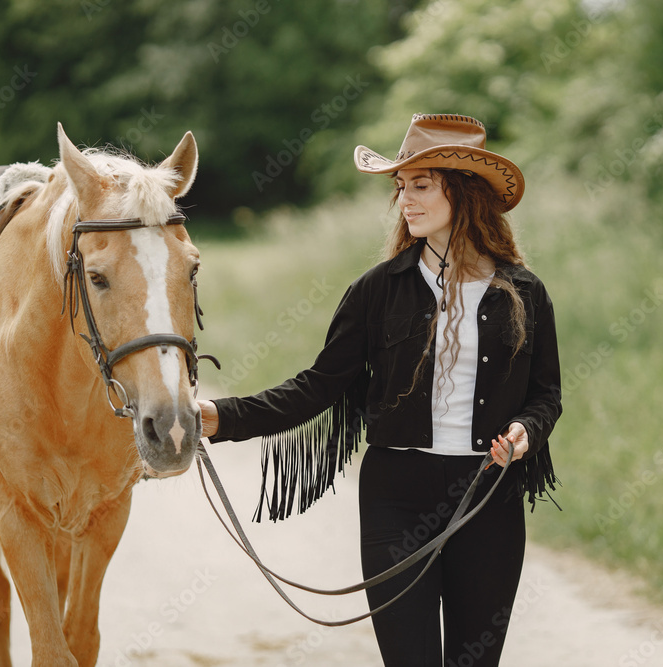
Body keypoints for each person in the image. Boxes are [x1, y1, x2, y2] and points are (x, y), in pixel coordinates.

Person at [199, 113, 562, 666]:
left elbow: (546, 396)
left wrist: (525, 434)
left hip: (489, 496)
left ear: (462, 191)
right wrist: (223, 417)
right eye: (401, 188)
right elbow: (319, 384)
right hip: (397, 495)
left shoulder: (524, 292)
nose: (405, 201)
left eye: (420, 185)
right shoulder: (376, 290)